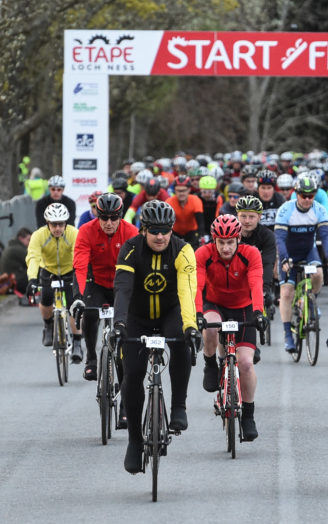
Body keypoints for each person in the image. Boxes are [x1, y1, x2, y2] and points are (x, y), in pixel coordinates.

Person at [113, 200, 200, 474]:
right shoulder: (129, 250)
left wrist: (190, 326)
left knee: (181, 341)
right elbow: (123, 290)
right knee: (133, 372)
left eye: (165, 231)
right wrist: (119, 324)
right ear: (143, 230)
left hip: (170, 312)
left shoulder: (183, 250)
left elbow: (187, 291)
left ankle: (178, 407)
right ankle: (135, 441)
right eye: (154, 231)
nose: (161, 237)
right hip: (137, 316)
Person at [196, 215, 268, 441]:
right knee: (209, 328)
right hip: (214, 303)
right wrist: (197, 314)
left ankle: (248, 415)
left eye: (230, 242)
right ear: (214, 240)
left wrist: (259, 312)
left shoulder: (251, 254)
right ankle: (210, 364)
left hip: (243, 308)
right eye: (221, 242)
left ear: (238, 239)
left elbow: (256, 282)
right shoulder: (203, 254)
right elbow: (197, 286)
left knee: (246, 363)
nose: (226, 247)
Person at [71, 193, 138, 386]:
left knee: (125, 325)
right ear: (97, 216)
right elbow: (80, 266)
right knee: (90, 314)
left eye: (113, 218)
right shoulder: (86, 231)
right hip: (96, 281)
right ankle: (91, 357)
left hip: (121, 283)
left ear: (120, 216)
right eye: (104, 218)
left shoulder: (131, 231)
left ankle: (125, 375)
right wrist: (78, 297)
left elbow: (138, 267)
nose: (109, 223)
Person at [275, 175, 328, 353]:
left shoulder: (319, 210)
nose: (307, 199)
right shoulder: (286, 210)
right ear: (296, 194)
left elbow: (325, 236)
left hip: (309, 251)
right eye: (303, 196)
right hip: (289, 253)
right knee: (286, 293)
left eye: (311, 195)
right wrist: (284, 259)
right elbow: (280, 238)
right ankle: (287, 335)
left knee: (318, 274)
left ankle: (310, 300)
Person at [25, 203, 83, 361]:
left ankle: (77, 342)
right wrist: (32, 279)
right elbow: (33, 258)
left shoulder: (73, 234)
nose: (57, 228)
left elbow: (78, 258)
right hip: (48, 270)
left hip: (69, 270)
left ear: (66, 223)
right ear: (47, 223)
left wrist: (79, 279)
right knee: (46, 297)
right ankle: (48, 325)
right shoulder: (39, 235)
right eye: (54, 224)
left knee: (73, 304)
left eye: (61, 224)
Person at [236, 195, 278, 322]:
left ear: (259, 217)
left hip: (258, 273)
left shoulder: (267, 236)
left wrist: (264, 290)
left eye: (252, 216)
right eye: (243, 216)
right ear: (237, 215)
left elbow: (268, 264)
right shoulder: (231, 232)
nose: (247, 221)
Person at [167, 175, 205, 248]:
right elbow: (167, 223)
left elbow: (201, 223)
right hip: (175, 233)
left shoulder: (195, 200)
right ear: (174, 190)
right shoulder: (169, 202)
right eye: (178, 190)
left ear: (189, 190)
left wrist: (200, 237)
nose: (181, 193)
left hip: (192, 233)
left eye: (184, 190)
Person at [0, 227, 32, 294]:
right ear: (21, 238)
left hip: (9, 281)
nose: (30, 243)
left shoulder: (12, 247)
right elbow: (33, 262)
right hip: (15, 282)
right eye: (28, 240)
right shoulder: (18, 249)